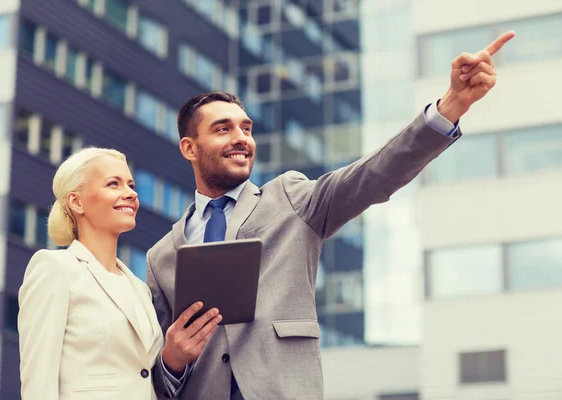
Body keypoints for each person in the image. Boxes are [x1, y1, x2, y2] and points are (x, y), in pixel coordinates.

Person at [146, 32, 516, 399]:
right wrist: (172, 361)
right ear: (189, 148)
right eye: (222, 129)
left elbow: (373, 176)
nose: (241, 138)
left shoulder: (290, 199)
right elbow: (153, 377)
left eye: (246, 128)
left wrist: (452, 104)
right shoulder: (162, 256)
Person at [17, 147, 222, 399]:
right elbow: (38, 382)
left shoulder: (139, 288)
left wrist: (173, 358)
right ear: (76, 201)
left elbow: (143, 376)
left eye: (131, 185)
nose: (131, 194)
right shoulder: (55, 268)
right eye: (113, 184)